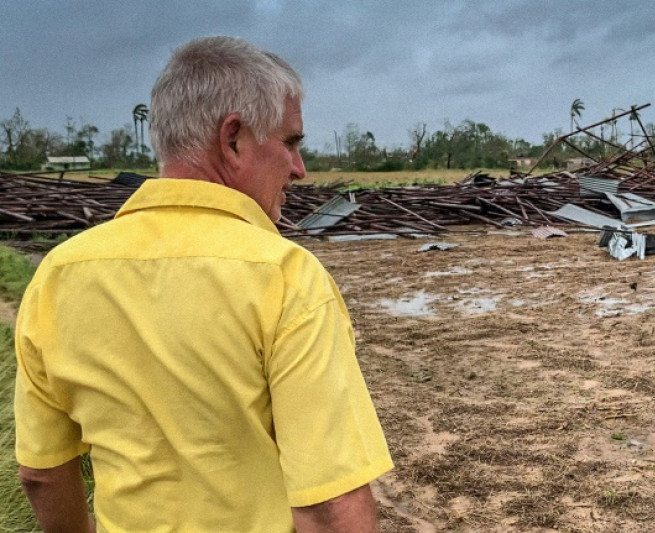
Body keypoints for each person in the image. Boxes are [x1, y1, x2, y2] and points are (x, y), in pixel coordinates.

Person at [15, 36, 393, 532]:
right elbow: (327, 507)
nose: (299, 169)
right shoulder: (284, 278)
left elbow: (42, 474)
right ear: (233, 138)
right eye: (291, 142)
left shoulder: (58, 276)